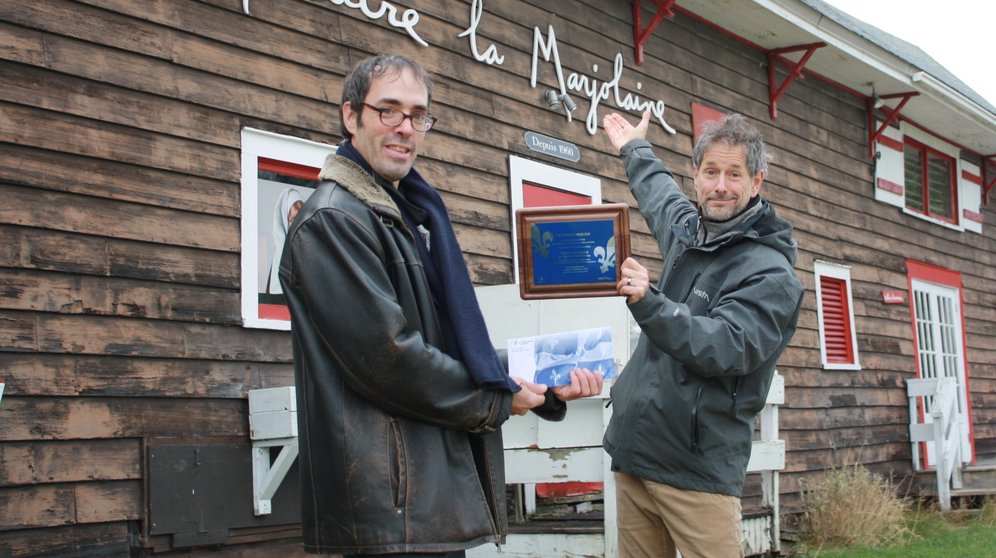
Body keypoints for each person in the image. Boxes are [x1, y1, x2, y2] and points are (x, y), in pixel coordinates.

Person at [279, 54, 603, 557]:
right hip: (392, 504)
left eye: (418, 115)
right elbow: (392, 359)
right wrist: (498, 399)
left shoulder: (401, 216)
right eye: (389, 111)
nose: (405, 128)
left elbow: (443, 347)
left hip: (420, 498)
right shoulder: (334, 222)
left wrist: (543, 379)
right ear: (350, 116)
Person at [601, 110, 804, 558]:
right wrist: (635, 148)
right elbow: (658, 195)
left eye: (735, 174)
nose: (720, 186)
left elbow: (726, 346)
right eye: (710, 171)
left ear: (757, 181)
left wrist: (650, 302)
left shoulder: (771, 273)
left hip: (696, 472)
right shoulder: (690, 232)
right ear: (695, 175)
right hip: (635, 457)